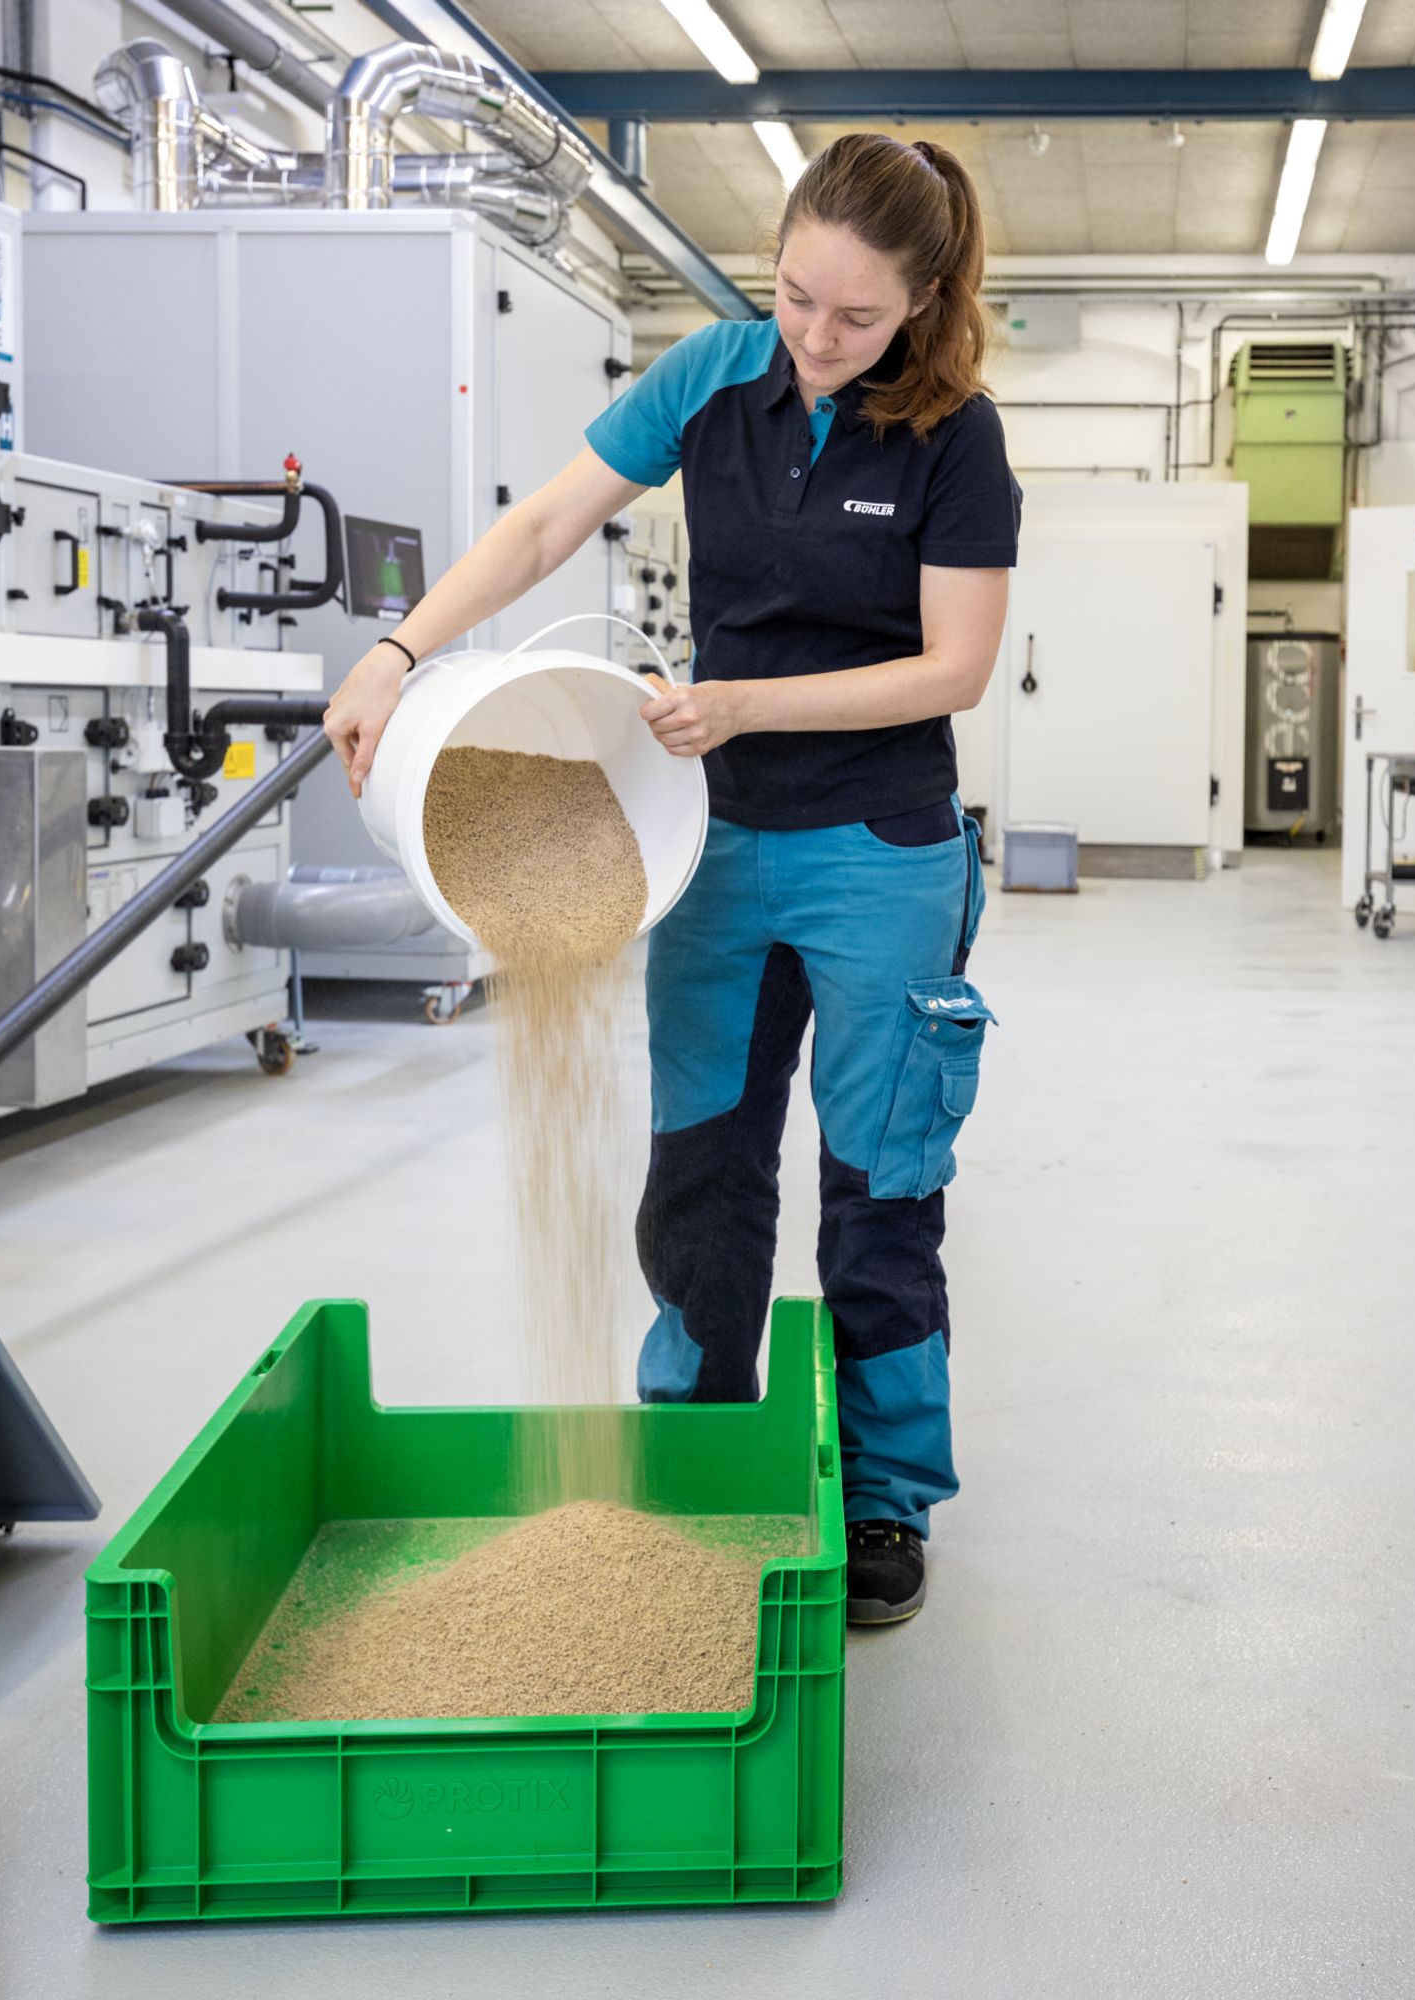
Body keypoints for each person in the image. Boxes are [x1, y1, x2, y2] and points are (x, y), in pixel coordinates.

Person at [324, 132, 1020, 1626]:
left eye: (856, 316)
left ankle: (888, 1499)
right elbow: (540, 526)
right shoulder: (712, 373)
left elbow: (954, 666)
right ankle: (698, 1448)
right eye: (796, 299)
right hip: (705, 842)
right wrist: (397, 652)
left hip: (879, 851)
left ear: (923, 298)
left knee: (881, 1186)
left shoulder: (956, 437)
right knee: (702, 1166)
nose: (818, 340)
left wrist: (754, 703)